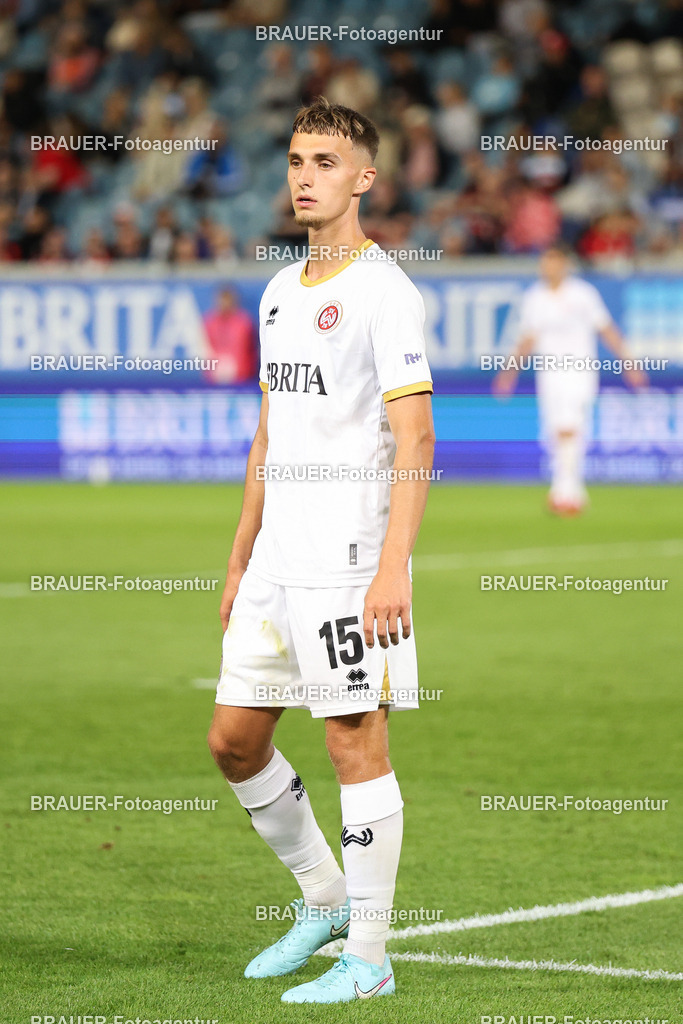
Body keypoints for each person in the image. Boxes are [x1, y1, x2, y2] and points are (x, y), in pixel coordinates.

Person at [207, 96, 435, 1003]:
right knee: (231, 742)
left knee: (353, 744)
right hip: (275, 562)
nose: (306, 178)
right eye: (297, 161)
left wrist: (392, 567)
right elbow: (269, 433)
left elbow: (415, 440)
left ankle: (369, 960)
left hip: (348, 559)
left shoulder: (384, 291)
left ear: (364, 179)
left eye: (325, 164)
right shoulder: (274, 291)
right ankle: (323, 895)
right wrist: (237, 556)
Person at [494, 245, 647, 514]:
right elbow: (527, 339)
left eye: (552, 262)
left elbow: (606, 329)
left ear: (564, 264)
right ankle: (568, 490)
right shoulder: (535, 297)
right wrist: (509, 373)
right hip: (549, 374)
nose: (547, 268)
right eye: (544, 262)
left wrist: (629, 362)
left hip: (579, 371)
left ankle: (567, 493)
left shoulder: (583, 294)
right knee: (556, 432)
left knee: (571, 427)